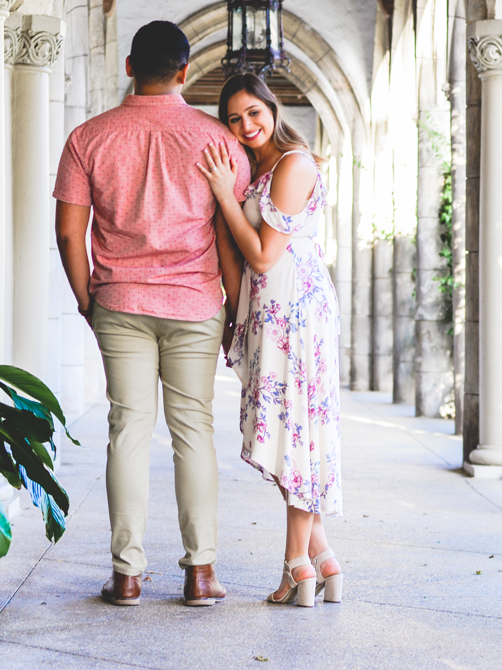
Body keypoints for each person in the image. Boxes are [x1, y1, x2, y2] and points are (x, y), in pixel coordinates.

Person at [53, 21, 251, 607]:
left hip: (119, 300)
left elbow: (69, 232)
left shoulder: (88, 137)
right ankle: (200, 573)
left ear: (130, 66)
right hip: (195, 304)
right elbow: (228, 237)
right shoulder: (220, 143)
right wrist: (234, 311)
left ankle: (128, 574)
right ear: (186, 71)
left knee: (128, 432)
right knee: (194, 432)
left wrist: (87, 298)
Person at [196, 72, 344, 608]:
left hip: (297, 310)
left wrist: (222, 197)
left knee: (298, 434)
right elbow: (235, 257)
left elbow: (262, 253)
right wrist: (236, 320)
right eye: (234, 118)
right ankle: (322, 558)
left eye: (253, 112)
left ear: (272, 109)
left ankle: (297, 568)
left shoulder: (294, 163)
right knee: (286, 434)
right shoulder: (253, 169)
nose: (246, 125)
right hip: (266, 308)